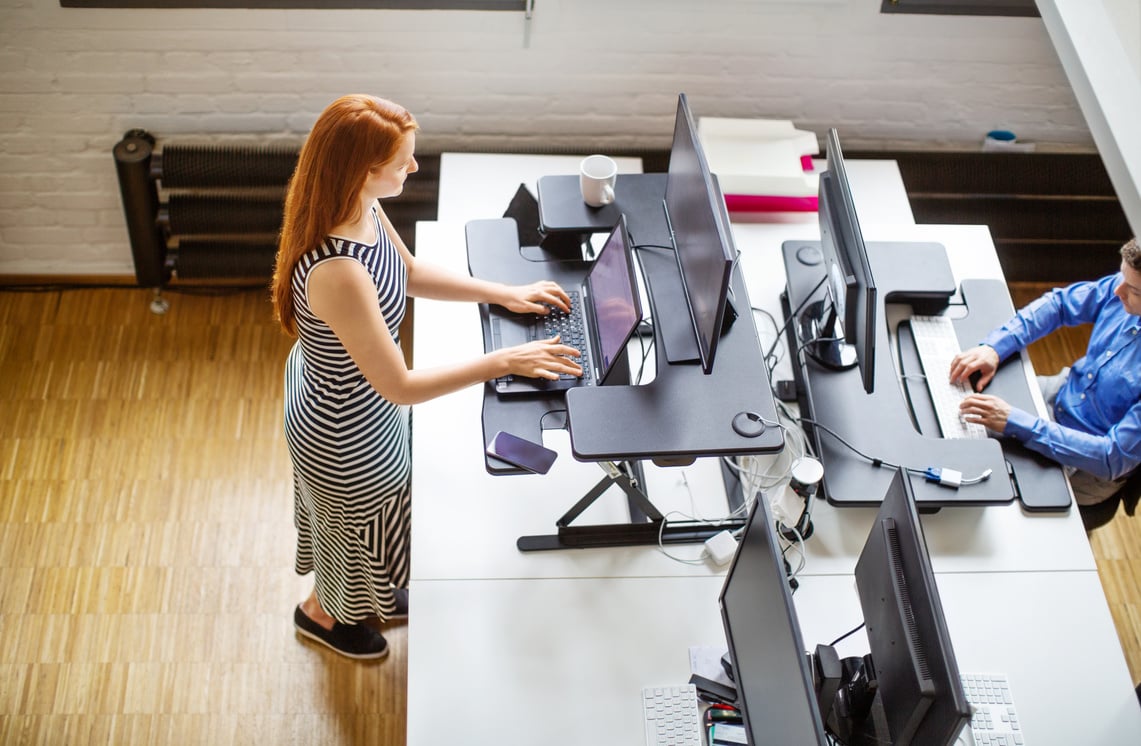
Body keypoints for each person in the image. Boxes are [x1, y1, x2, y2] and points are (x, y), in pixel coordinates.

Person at [271, 94, 583, 659]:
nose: (413, 169)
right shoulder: (338, 272)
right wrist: (506, 360)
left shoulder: (360, 204)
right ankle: (322, 616)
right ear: (365, 171)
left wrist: (504, 292)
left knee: (378, 517)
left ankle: (370, 593)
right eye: (402, 162)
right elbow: (402, 386)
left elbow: (409, 273)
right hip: (342, 427)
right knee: (354, 529)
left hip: (357, 398)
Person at [949, 238, 1141, 507]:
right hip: (1061, 394)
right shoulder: (1124, 285)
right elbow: (1060, 304)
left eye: (1133, 290)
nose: (1117, 290)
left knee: (985, 485)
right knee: (956, 414)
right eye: (1121, 277)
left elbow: (1109, 457)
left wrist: (1015, 422)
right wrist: (995, 347)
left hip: (1086, 458)